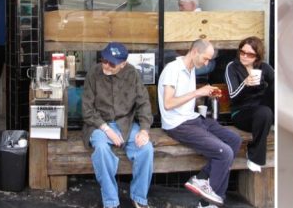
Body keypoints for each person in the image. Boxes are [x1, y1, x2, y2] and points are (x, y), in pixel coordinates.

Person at [158, 39, 242, 207]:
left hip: (192, 118)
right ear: (195, 51)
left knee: (234, 140)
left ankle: (202, 178)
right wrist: (197, 92)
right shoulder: (172, 70)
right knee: (224, 153)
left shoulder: (191, 69)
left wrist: (206, 94)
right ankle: (211, 201)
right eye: (206, 58)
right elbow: (168, 103)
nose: (207, 62)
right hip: (177, 124)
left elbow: (186, 99)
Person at [82, 42, 154, 208]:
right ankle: (111, 201)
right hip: (98, 124)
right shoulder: (93, 73)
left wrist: (144, 130)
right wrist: (107, 130)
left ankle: (139, 198)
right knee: (101, 149)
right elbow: (87, 110)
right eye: (104, 60)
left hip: (126, 123)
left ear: (123, 64)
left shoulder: (133, 74)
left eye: (112, 63)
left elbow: (143, 104)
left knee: (146, 149)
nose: (106, 65)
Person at [224, 36, 274, 173]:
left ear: (257, 56)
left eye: (250, 54)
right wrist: (245, 84)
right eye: (242, 52)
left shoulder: (263, 67)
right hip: (241, 113)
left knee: (275, 89)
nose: (245, 56)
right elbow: (233, 96)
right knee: (265, 113)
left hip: (261, 110)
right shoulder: (232, 67)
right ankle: (254, 157)